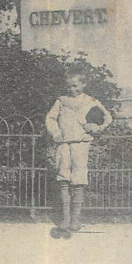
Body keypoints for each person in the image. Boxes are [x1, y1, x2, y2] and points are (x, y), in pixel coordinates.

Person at [46, 67, 112, 234]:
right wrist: (55, 132)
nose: (72, 89)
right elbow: (50, 118)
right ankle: (65, 218)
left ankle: (75, 218)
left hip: (81, 144)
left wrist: (96, 127)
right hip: (63, 144)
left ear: (83, 84)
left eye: (75, 85)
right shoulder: (61, 101)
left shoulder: (91, 101)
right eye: (69, 86)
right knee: (63, 178)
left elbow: (107, 117)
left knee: (79, 180)